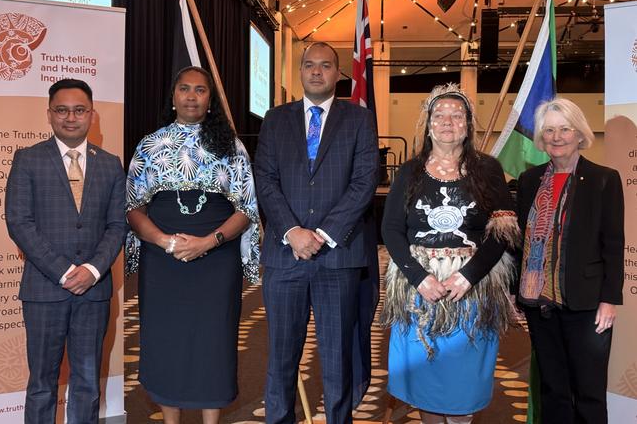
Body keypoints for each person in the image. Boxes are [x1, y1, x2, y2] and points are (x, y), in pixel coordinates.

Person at [125, 66, 260, 424]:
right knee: (164, 337)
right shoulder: (150, 145)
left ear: (210, 100)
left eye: (200, 90)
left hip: (216, 259)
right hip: (162, 259)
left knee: (213, 339)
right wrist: (163, 241)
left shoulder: (232, 146)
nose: (191, 96)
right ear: (173, 97)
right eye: (184, 89)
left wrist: (208, 242)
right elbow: (133, 208)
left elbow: (247, 208)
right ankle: (170, 419)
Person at [254, 41, 379, 424]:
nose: (316, 72)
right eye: (309, 65)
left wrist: (322, 234)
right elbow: (265, 178)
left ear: (337, 73)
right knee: (281, 356)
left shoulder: (359, 120)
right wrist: (292, 231)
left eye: (325, 66)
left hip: (337, 257)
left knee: (337, 356)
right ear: (301, 71)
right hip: (284, 255)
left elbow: (364, 182)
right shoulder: (275, 119)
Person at [380, 84, 519, 424]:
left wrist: (468, 276)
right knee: (426, 380)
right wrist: (419, 277)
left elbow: (502, 232)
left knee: (463, 381)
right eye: (439, 115)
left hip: (470, 290)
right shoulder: (410, 171)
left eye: (457, 116)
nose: (447, 122)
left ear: (468, 125)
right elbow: (391, 230)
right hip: (419, 291)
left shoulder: (488, 169)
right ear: (428, 124)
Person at [5, 78, 127, 424]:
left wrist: (91, 270)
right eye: (62, 110)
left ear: (91, 115)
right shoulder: (28, 159)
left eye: (79, 110)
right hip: (44, 291)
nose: (70, 118)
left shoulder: (109, 163)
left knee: (88, 382)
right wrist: (62, 271)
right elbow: (19, 222)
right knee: (43, 384)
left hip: (94, 293)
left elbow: (117, 225)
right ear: (49, 114)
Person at [515, 97, 624, 424]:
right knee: (553, 388)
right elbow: (522, 240)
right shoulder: (529, 180)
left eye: (565, 129)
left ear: (580, 134)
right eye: (550, 130)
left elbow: (614, 244)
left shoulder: (604, 179)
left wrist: (610, 299)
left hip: (587, 304)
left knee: (588, 391)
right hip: (540, 305)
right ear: (541, 138)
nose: (557, 136)